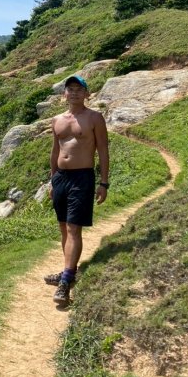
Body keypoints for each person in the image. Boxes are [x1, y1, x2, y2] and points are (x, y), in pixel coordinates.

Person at [46, 74, 109, 307]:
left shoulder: (94, 118)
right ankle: (68, 271)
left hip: (82, 177)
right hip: (61, 178)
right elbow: (55, 151)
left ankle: (65, 281)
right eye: (70, 89)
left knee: (74, 228)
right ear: (64, 94)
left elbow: (103, 150)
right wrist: (52, 180)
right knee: (63, 226)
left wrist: (104, 182)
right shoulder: (57, 120)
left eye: (78, 89)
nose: (74, 93)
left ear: (86, 94)